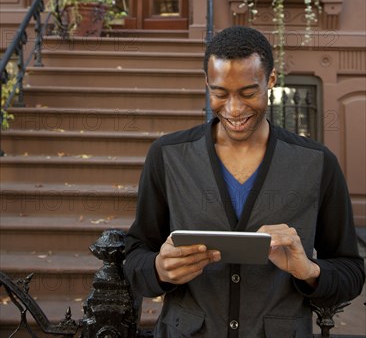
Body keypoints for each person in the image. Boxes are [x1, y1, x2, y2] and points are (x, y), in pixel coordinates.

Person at [124, 26, 364, 337]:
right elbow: (135, 256)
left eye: (248, 93)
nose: (234, 109)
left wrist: (310, 272)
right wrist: (157, 269)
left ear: (271, 81)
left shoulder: (318, 163)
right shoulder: (167, 156)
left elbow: (351, 273)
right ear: (207, 84)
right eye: (220, 93)